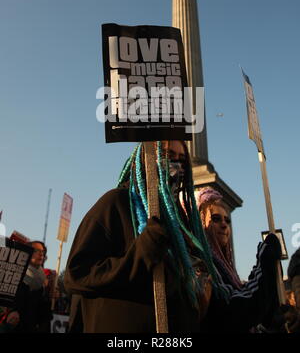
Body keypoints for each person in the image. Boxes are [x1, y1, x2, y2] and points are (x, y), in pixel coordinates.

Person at [64, 141, 225, 333]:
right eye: (166, 155)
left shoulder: (179, 224)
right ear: (143, 161)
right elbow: (78, 275)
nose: (175, 165)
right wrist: (146, 248)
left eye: (182, 160)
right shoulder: (116, 203)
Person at [181, 185, 283, 333]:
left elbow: (255, 310)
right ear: (200, 223)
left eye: (227, 220)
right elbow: (239, 310)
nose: (224, 225)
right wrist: (265, 259)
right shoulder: (201, 265)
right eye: (216, 219)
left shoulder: (226, 270)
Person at [19, 241, 52, 332]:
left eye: (42, 251)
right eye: (36, 251)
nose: (41, 254)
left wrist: (49, 294)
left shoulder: (43, 278)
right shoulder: (18, 276)